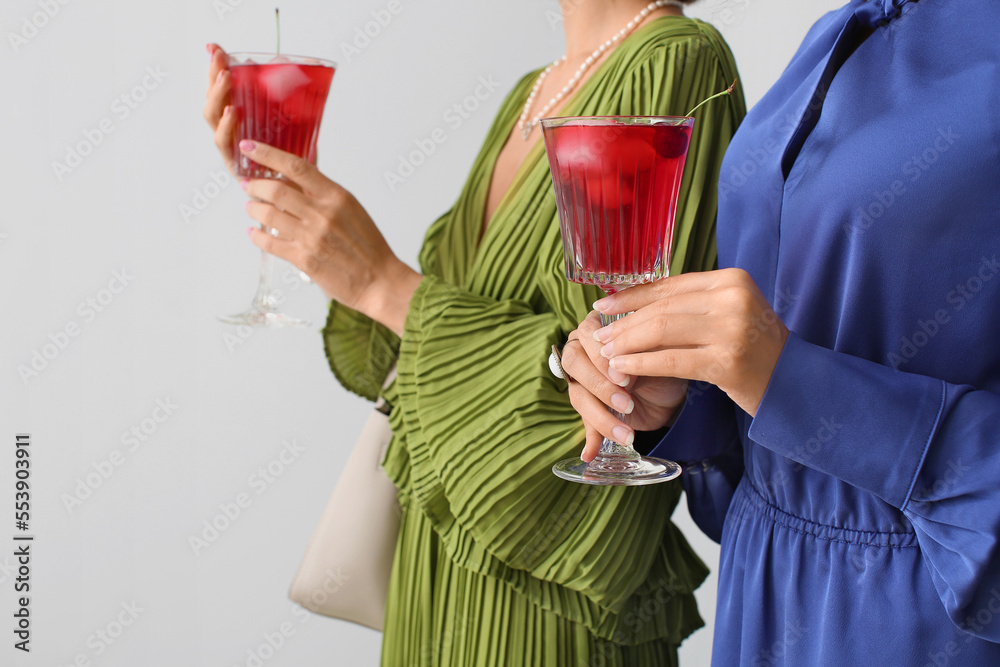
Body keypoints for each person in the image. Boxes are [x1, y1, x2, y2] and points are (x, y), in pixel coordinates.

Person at [204, 1, 745, 663]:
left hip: (546, 604)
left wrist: (385, 282)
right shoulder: (534, 90)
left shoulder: (675, 57)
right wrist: (315, 233)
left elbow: (618, 382)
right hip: (435, 580)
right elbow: (415, 368)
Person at [561, 0, 1000, 663]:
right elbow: (760, 452)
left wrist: (794, 385)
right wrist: (683, 394)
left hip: (919, 629)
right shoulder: (841, 29)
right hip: (759, 599)